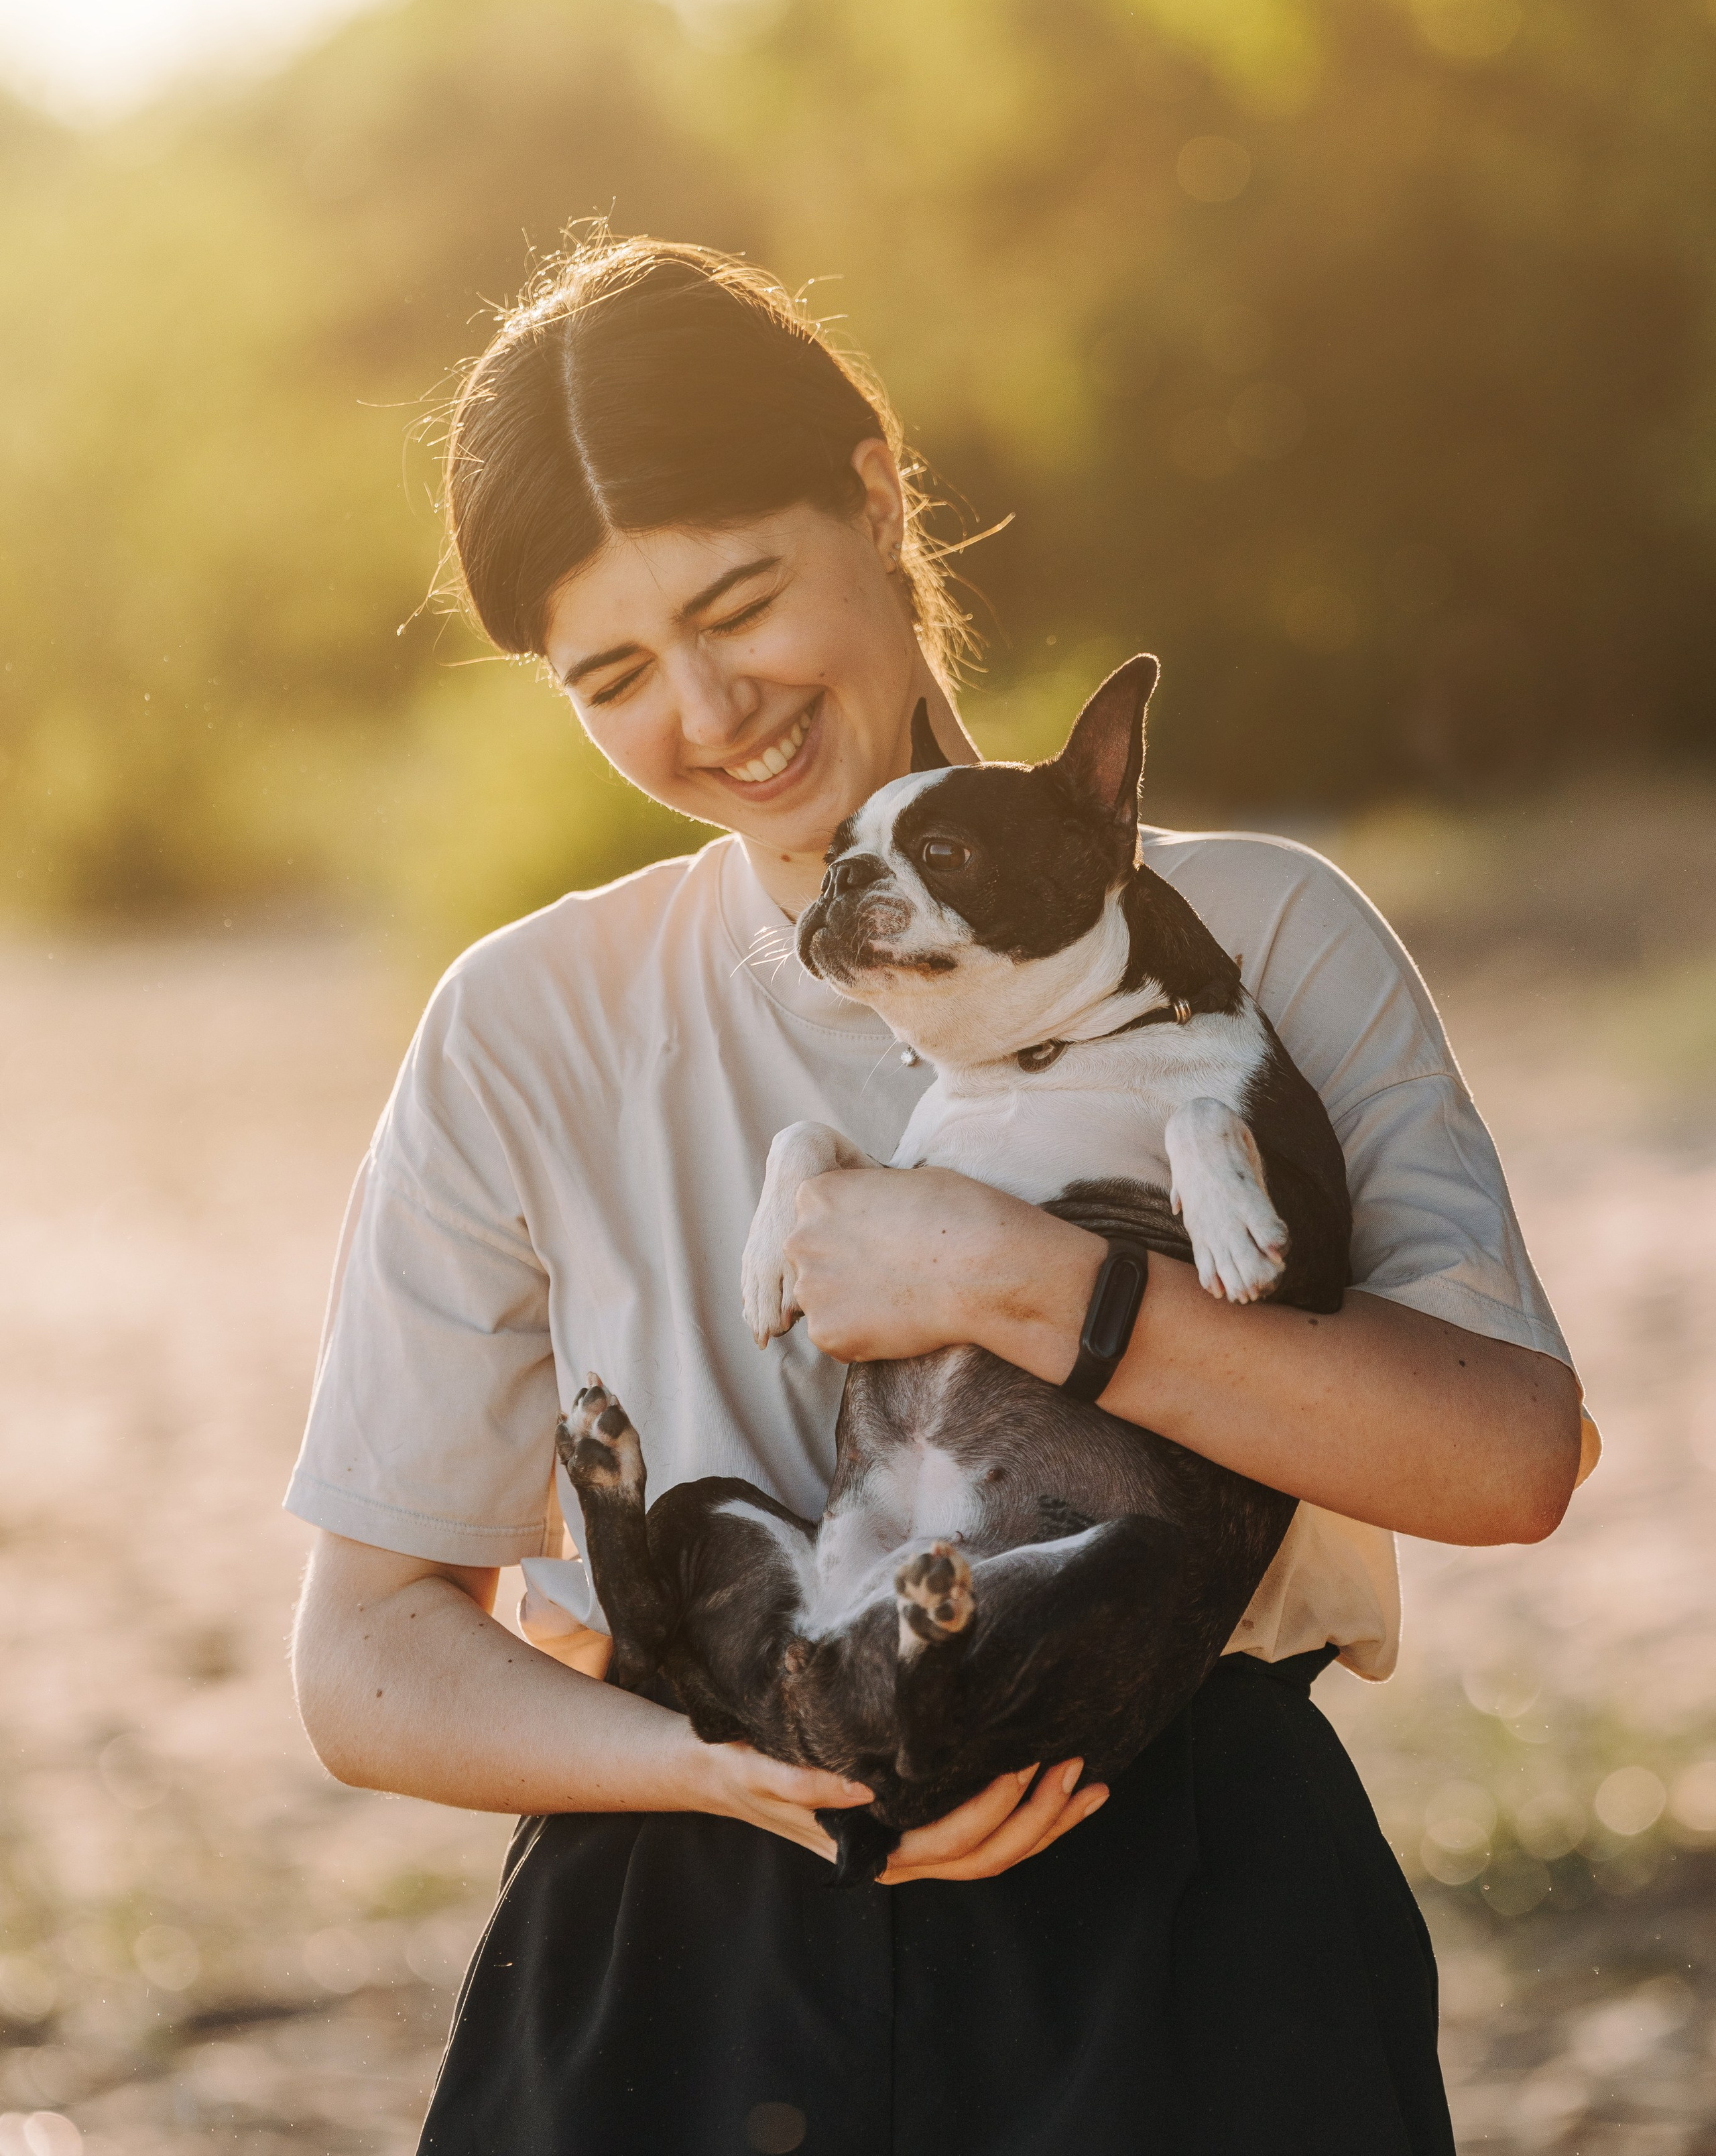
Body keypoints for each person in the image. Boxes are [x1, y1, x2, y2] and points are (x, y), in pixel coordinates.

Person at [287, 235, 1591, 2156]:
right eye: (615, 677)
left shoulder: (1265, 935)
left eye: (741, 602)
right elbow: (366, 1655)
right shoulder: (524, 1028)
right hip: (681, 1933)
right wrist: (737, 1766)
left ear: (876, 495)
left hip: (1197, 1927)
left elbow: (1509, 1462)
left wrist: (1041, 1289)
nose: (711, 712)